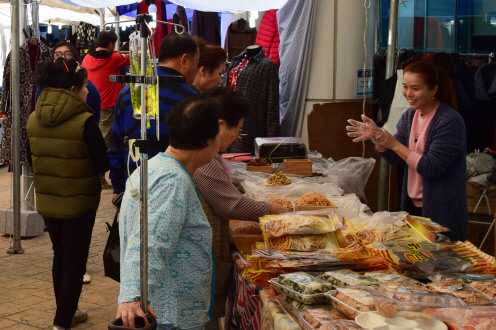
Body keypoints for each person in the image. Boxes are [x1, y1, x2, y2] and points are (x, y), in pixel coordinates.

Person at [117, 95, 221, 329]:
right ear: (207, 141)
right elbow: (149, 240)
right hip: (169, 315)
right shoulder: (172, 181)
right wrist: (132, 295)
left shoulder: (155, 167)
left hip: (167, 309)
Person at [194, 87, 289, 329]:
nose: (238, 137)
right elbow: (230, 205)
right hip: (198, 270)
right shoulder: (202, 160)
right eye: (237, 130)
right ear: (220, 124)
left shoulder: (208, 154)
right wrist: (272, 209)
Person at [27, 57, 108, 329]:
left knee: (59, 256)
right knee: (74, 263)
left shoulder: (33, 120)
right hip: (79, 203)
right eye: (85, 86)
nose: (88, 91)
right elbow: (102, 163)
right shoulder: (85, 121)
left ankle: (68, 312)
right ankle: (62, 322)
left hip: (48, 201)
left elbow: (32, 157)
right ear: (73, 90)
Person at [346, 60, 468, 241]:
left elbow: (432, 167)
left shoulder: (449, 121)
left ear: (433, 90)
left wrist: (393, 143)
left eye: (415, 88)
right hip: (412, 207)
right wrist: (379, 139)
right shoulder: (410, 115)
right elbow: (396, 158)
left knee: (441, 265)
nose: (408, 94)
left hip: (443, 212)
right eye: (404, 87)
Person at [108, 33, 200, 204]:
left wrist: (118, 187)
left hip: (133, 187)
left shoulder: (128, 91)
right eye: (196, 62)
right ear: (185, 60)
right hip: (174, 191)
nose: (196, 69)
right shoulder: (192, 99)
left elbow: (116, 144)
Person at [82, 30, 130, 152]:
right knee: (106, 137)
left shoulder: (87, 58)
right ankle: (104, 164)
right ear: (110, 44)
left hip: (89, 103)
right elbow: (134, 58)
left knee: (92, 134)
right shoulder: (114, 58)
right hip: (108, 104)